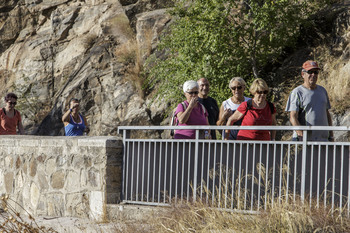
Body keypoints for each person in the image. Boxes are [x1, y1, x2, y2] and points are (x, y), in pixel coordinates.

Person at [285, 60, 333, 141]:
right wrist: (301, 135)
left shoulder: (322, 91)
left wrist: (331, 136)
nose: (313, 75)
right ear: (303, 74)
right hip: (304, 141)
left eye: (316, 72)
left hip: (323, 140)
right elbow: (293, 117)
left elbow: (327, 114)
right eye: (310, 72)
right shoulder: (297, 92)